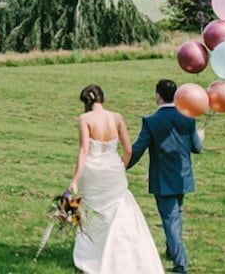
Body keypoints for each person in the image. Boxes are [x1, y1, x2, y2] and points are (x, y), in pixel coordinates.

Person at [70, 84, 164, 274]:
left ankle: (93, 253)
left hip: (93, 172)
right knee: (119, 208)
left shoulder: (85, 119)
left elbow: (83, 150)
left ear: (86, 102)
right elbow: (128, 149)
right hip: (113, 170)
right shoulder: (117, 118)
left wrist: (75, 179)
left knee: (94, 212)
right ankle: (126, 252)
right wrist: (121, 164)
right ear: (103, 99)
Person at [126, 79, 205, 274]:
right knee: (176, 214)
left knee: (171, 219)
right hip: (183, 176)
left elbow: (138, 149)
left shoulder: (151, 121)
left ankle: (180, 265)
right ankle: (172, 251)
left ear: (158, 96)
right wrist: (199, 137)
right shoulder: (188, 118)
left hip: (163, 179)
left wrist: (121, 166)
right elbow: (197, 148)